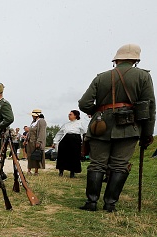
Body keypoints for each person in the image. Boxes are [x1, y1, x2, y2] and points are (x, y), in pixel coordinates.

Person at [78, 43, 155, 212]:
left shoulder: (101, 77)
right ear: (136, 60)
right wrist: (147, 133)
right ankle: (110, 204)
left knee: (97, 164)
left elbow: (84, 104)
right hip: (129, 127)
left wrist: (98, 111)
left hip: (100, 126)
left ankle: (91, 202)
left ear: (116, 60)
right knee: (120, 165)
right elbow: (149, 107)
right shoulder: (143, 76)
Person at [52, 110, 86, 177]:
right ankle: (61, 171)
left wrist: (83, 143)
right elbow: (60, 133)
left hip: (75, 140)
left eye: (70, 114)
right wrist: (55, 141)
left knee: (74, 156)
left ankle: (72, 173)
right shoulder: (66, 124)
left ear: (75, 115)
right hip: (66, 140)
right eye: (69, 114)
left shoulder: (80, 123)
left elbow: (84, 133)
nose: (69, 115)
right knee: (62, 155)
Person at [24, 110, 47, 175]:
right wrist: (26, 140)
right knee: (30, 156)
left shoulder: (41, 121)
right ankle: (29, 170)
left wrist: (39, 142)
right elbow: (30, 132)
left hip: (36, 142)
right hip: (30, 142)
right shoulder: (33, 122)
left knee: (36, 156)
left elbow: (41, 132)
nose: (32, 116)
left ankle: (36, 171)